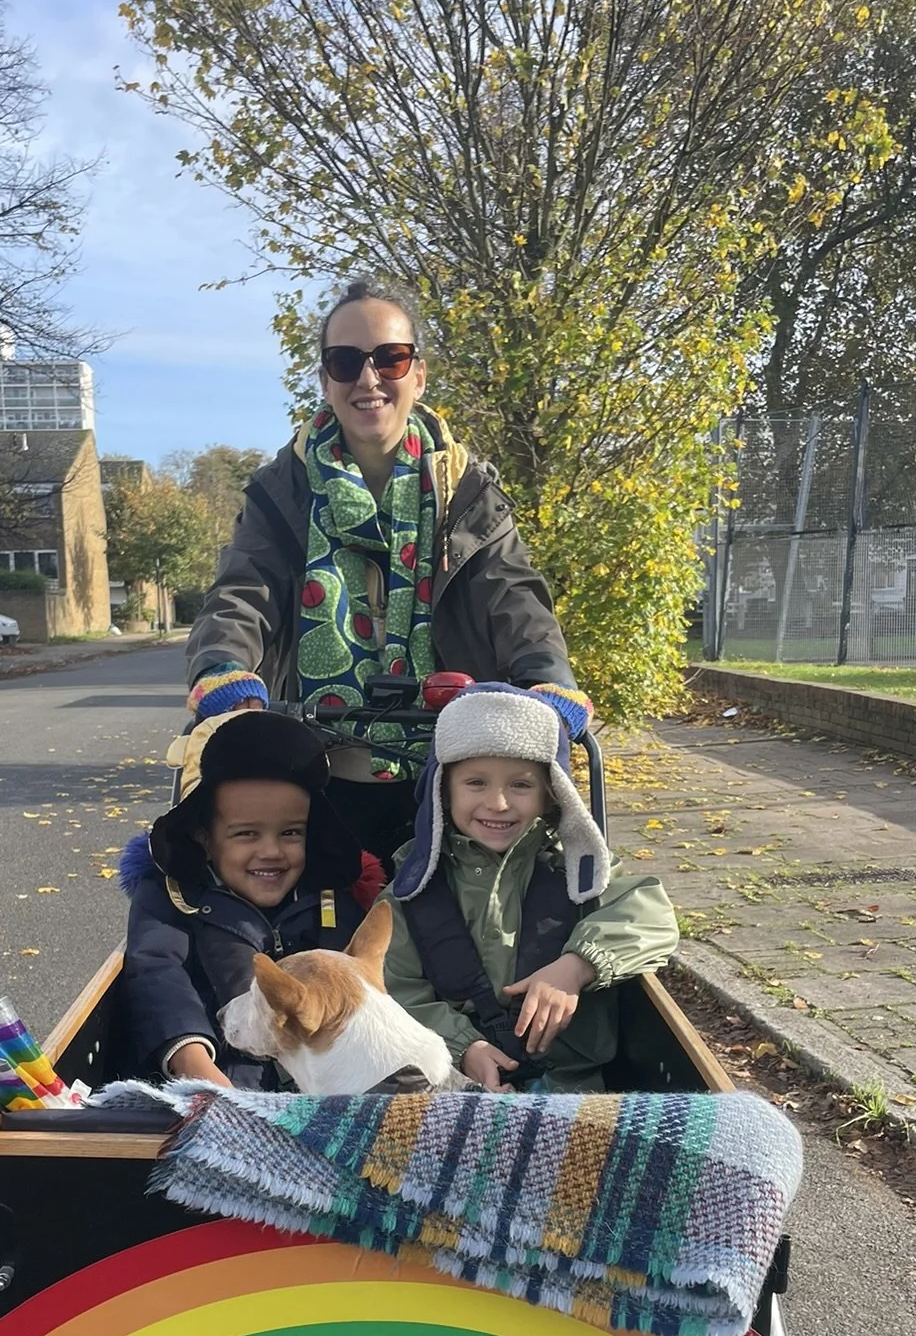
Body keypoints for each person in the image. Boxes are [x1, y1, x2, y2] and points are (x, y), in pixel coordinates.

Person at [185, 277, 587, 867]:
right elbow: (243, 592)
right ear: (325, 381)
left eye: (390, 359)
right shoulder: (282, 492)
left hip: (451, 760)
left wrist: (547, 677)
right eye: (345, 362)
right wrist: (222, 670)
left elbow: (514, 594)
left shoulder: (467, 490)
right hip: (320, 756)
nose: (368, 379)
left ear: (417, 375)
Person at [378, 685, 679, 1092]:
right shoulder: (414, 888)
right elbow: (393, 989)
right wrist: (464, 1048)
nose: (498, 803)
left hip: (571, 1085)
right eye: (476, 783)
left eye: (520, 786)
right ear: (443, 792)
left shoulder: (577, 869)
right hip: (451, 1078)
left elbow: (650, 914)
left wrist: (576, 966)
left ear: (550, 794)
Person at [117, 709, 382, 1088]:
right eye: (246, 835)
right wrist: (195, 1066)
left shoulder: (330, 902)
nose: (271, 851)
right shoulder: (174, 899)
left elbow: (356, 995)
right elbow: (158, 973)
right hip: (217, 1076)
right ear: (204, 839)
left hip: (320, 1084)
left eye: (290, 833)